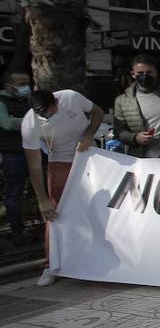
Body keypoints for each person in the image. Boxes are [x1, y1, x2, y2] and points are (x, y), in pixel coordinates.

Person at [21, 88, 104, 286]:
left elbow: (98, 112)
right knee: (54, 214)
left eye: (48, 112)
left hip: (89, 157)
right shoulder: (29, 124)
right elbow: (34, 167)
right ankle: (51, 266)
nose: (46, 117)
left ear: (56, 103)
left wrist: (88, 133)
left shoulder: (71, 97)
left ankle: (98, 258)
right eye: (41, 114)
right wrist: (42, 200)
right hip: (59, 162)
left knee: (97, 210)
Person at [0, 71, 34, 244]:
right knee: (15, 193)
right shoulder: (2, 102)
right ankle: (18, 231)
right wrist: (32, 119)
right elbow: (6, 123)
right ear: (9, 86)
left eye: (27, 83)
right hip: (13, 153)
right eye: (21, 84)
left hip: (33, 151)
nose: (26, 87)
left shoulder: (26, 101)